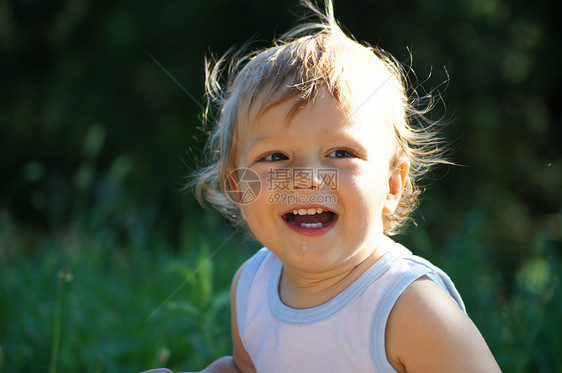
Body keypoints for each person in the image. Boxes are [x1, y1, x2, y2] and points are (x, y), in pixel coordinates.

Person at [143, 0, 501, 372]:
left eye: (341, 152)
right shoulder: (251, 287)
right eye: (276, 157)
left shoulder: (409, 306)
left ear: (391, 186)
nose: (307, 178)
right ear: (238, 186)